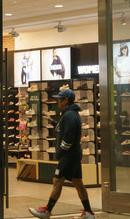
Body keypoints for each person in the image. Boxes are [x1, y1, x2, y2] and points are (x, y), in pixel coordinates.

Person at [29, 89, 94, 219]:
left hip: (69, 155)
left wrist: (60, 152)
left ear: (66, 100)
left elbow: (68, 137)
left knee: (57, 181)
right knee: (78, 183)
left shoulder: (69, 115)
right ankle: (88, 212)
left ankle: (47, 210)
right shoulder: (70, 114)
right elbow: (63, 128)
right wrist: (52, 121)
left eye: (59, 98)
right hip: (74, 154)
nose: (57, 101)